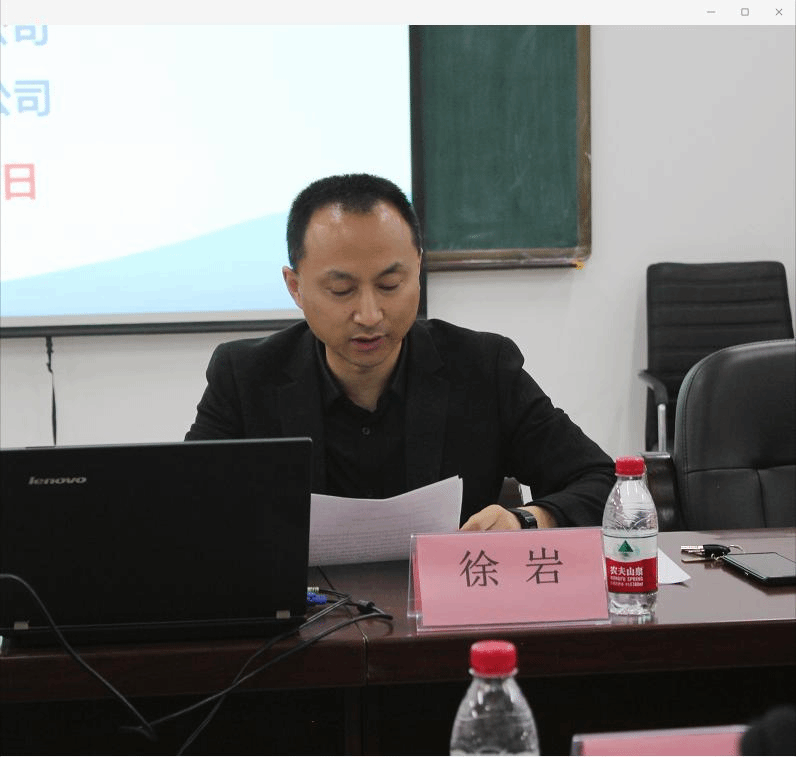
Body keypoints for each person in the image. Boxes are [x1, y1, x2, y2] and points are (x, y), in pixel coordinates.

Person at [186, 173, 615, 529]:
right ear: (295, 287)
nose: (370, 314)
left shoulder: (484, 368)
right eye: (342, 290)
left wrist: (529, 519)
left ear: (418, 270)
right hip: (303, 606)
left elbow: (602, 482)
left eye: (390, 285)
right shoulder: (244, 377)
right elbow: (184, 504)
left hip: (446, 603)